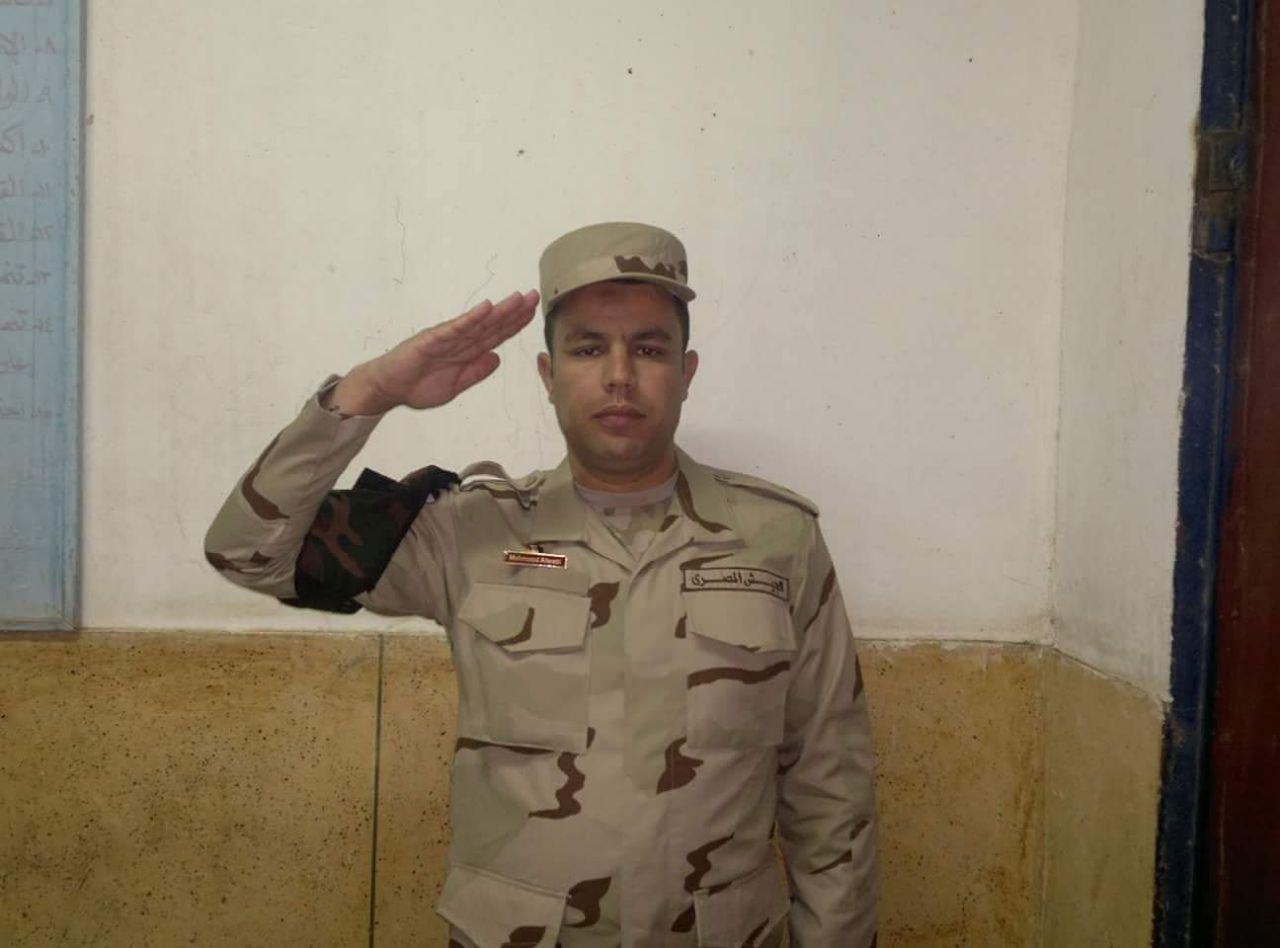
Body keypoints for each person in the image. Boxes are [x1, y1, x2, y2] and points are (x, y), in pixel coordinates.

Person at [204, 221, 879, 946]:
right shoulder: (471, 532)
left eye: (649, 348)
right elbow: (248, 555)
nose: (619, 375)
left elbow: (829, 782)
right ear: (548, 375)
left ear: (685, 373)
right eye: (587, 348)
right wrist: (368, 393)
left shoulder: (776, 537)